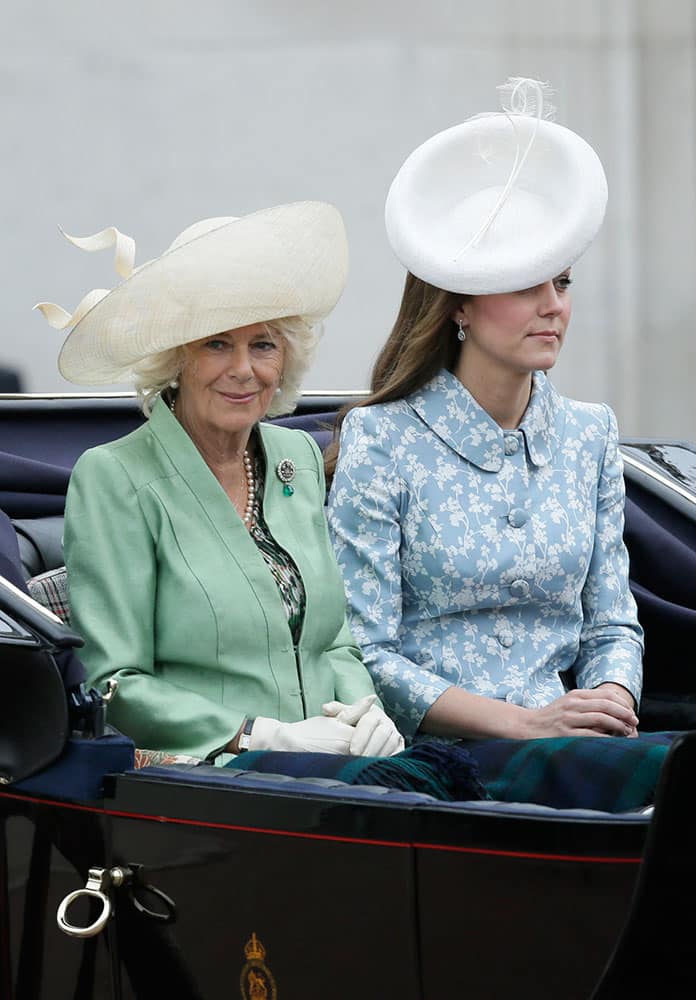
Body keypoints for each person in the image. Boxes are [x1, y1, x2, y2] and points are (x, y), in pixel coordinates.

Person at [327, 79, 643, 745]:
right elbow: (364, 652)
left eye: (561, 281)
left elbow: (612, 623)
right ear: (459, 306)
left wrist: (607, 700)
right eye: (524, 284)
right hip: (434, 760)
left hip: (573, 748)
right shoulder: (381, 439)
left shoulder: (591, 435)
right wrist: (526, 725)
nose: (553, 304)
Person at [36, 203, 403, 761]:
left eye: (263, 344)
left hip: (331, 761)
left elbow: (331, 640)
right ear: (175, 358)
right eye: (215, 343)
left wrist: (365, 711)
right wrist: (261, 734)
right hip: (211, 779)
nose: (243, 369)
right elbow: (116, 683)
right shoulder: (114, 476)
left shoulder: (297, 456)